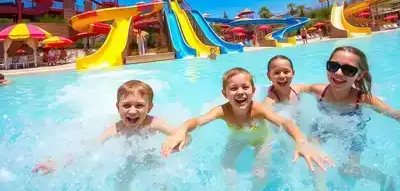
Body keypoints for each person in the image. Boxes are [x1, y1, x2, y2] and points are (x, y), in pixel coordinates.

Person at [162, 68, 333, 190]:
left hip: (261, 140)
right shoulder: (222, 111)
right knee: (226, 168)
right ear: (225, 94)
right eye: (233, 88)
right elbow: (198, 121)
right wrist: (182, 129)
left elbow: (284, 122)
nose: (240, 92)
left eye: (245, 87)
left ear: (253, 90)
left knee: (260, 174)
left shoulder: (258, 109)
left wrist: (300, 140)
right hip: (236, 140)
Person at [263, 47, 398, 190]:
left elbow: (393, 113)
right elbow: (296, 88)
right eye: (333, 66)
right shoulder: (319, 90)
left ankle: (384, 178)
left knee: (349, 170)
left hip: (352, 133)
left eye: (348, 70)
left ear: (359, 75)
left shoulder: (363, 98)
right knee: (313, 157)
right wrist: (273, 93)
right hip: (323, 128)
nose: (338, 73)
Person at [32, 80, 185, 176]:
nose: (132, 111)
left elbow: (179, 133)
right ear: (118, 108)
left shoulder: (154, 123)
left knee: (161, 179)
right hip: (128, 158)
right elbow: (89, 147)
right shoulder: (116, 129)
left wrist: (176, 141)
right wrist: (59, 162)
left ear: (149, 108)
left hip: (150, 156)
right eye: (126, 106)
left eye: (139, 105)